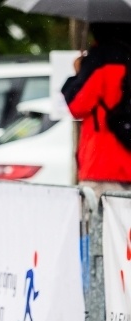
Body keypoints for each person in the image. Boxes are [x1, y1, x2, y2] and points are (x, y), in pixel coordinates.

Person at [62, 23, 131, 198]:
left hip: (103, 163)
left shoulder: (100, 58)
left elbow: (77, 106)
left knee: (99, 224)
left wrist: (78, 74)